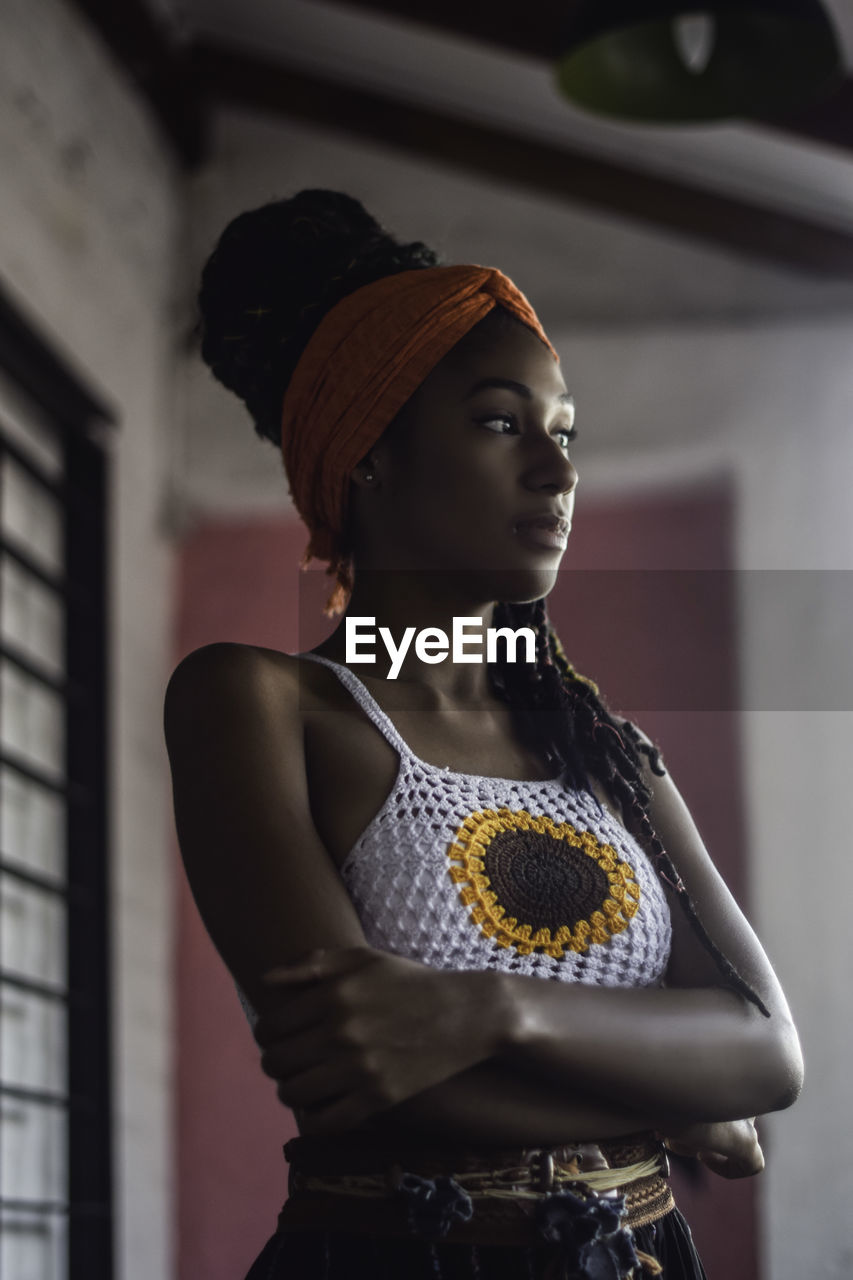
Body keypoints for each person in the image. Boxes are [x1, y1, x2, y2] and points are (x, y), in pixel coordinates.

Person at [164, 189, 803, 1280]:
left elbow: (764, 1051)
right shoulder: (257, 703)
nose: (555, 473)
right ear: (368, 452)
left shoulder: (604, 751)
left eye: (564, 434)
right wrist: (669, 1079)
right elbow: (368, 1068)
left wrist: (490, 1006)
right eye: (502, 422)